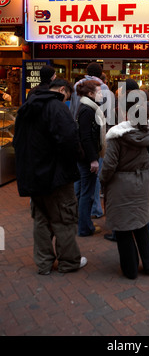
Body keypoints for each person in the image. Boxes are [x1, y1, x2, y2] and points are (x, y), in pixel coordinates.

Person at [12, 78, 87, 275]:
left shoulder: (26, 107)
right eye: (67, 97)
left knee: (41, 219)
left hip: (32, 175)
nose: (66, 101)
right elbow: (69, 139)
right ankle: (69, 261)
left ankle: (43, 263)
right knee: (64, 219)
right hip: (56, 175)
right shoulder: (57, 108)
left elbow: (17, 141)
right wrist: (78, 158)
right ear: (62, 90)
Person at [100, 92, 149, 279]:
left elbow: (110, 164)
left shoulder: (116, 135)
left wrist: (103, 181)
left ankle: (130, 269)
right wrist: (146, 169)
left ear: (126, 114)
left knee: (123, 227)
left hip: (120, 184)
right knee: (141, 222)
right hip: (143, 181)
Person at [75, 79, 106, 237]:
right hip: (88, 159)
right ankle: (85, 228)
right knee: (87, 193)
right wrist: (93, 159)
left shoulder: (87, 107)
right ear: (90, 93)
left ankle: (83, 223)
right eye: (99, 92)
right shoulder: (88, 109)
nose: (101, 94)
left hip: (85, 157)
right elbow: (86, 137)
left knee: (83, 192)